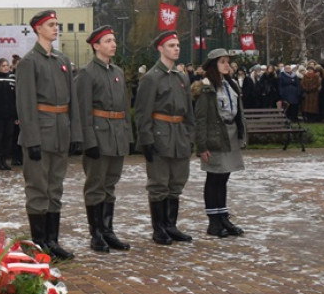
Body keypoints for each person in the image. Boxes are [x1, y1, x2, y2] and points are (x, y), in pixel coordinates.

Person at [15, 10, 82, 260]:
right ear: (38, 29)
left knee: (55, 189)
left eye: (56, 24)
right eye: (51, 24)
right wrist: (31, 139)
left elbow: (72, 100)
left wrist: (75, 134)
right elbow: (25, 104)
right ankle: (39, 244)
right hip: (40, 134)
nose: (56, 28)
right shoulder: (29, 62)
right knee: (37, 189)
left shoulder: (62, 60)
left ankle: (53, 241)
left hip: (61, 132)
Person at [76, 25, 132, 253]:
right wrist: (88, 141)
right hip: (98, 136)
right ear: (96, 45)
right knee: (95, 186)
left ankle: (108, 231)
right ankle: (96, 233)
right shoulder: (87, 73)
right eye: (108, 41)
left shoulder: (117, 72)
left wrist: (128, 135)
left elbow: (125, 107)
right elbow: (83, 110)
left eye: (114, 40)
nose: (113, 44)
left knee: (110, 184)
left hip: (117, 135)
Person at [135, 31, 194, 246]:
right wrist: (146, 140)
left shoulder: (182, 77)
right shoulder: (151, 78)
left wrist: (190, 136)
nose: (176, 49)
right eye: (171, 45)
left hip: (179, 135)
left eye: (177, 45)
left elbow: (189, 112)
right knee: (159, 183)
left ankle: (171, 225)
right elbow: (142, 112)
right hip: (160, 134)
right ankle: (159, 228)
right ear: (160, 48)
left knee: (176, 182)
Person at [193, 48, 247, 238]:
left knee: (224, 177)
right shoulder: (206, 88)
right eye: (222, 62)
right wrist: (202, 146)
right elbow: (200, 119)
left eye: (227, 61)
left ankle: (223, 217)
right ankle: (213, 221)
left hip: (230, 134)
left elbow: (238, 111)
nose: (227, 65)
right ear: (213, 65)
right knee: (214, 178)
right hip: (214, 137)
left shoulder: (230, 84)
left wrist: (241, 133)